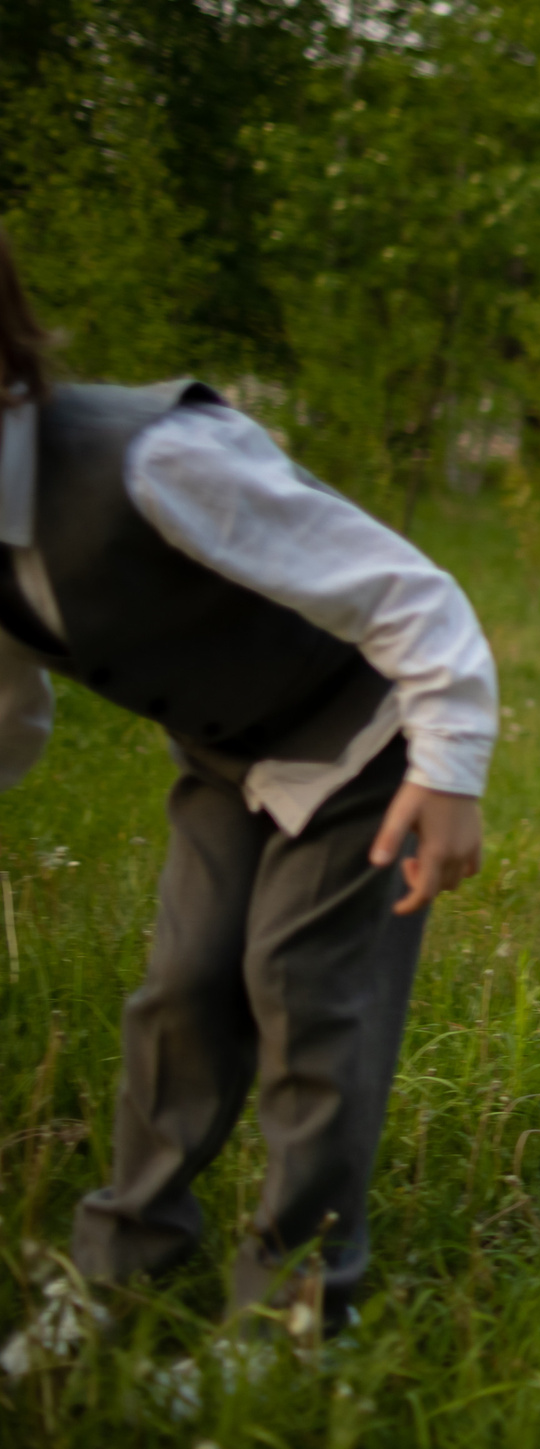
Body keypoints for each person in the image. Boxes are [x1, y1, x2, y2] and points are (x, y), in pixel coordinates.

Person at [0, 224, 497, 1337]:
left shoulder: (155, 458)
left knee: (301, 991)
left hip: (370, 743)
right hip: (229, 762)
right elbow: (9, 707)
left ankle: (299, 1314)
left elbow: (411, 595)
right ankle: (121, 1268)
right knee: (181, 988)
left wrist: (452, 769)